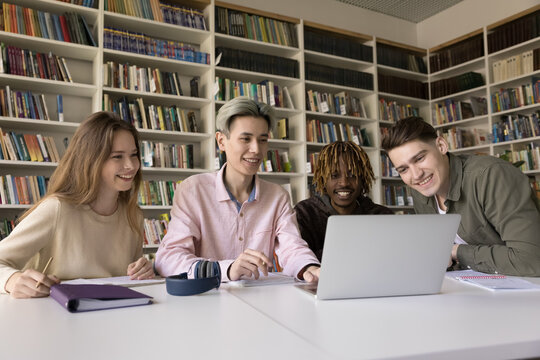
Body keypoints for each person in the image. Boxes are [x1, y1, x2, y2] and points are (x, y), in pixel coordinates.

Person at [155, 97, 320, 282]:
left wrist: (309, 267)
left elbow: (293, 247)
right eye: (246, 139)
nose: (256, 149)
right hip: (206, 300)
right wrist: (226, 269)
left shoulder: (278, 196)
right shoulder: (193, 190)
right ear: (221, 141)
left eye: (263, 140)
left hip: (260, 301)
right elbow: (168, 258)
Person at [0, 111, 154, 298]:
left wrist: (143, 270)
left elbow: (131, 278)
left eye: (134, 154)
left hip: (115, 317)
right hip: (55, 317)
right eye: (117, 156)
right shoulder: (56, 209)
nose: (131, 165)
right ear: (90, 160)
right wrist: (12, 280)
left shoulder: (134, 215)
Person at [381, 116, 540, 276]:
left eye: (420, 158)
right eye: (403, 169)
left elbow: (530, 260)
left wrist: (457, 252)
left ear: (441, 146)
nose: (416, 175)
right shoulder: (420, 190)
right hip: (468, 288)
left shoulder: (490, 176)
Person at [295, 141, 393, 261]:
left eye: (352, 175)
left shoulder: (382, 216)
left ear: (363, 179)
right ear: (323, 179)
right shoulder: (305, 213)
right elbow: (299, 260)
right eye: (335, 176)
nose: (344, 183)